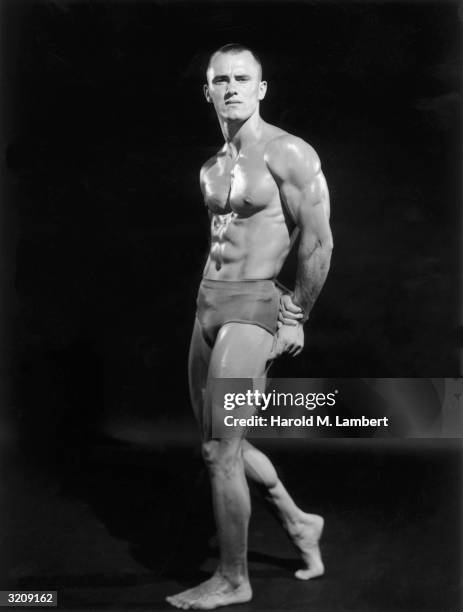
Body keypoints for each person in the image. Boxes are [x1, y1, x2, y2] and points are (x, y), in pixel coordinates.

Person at [167, 43, 333, 610]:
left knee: (220, 450)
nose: (232, 86)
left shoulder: (288, 153)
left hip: (257, 306)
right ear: (208, 91)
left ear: (261, 89)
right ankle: (300, 522)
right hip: (208, 305)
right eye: (221, 79)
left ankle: (233, 580)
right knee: (221, 446)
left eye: (243, 78)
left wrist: (297, 315)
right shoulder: (211, 167)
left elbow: (318, 241)